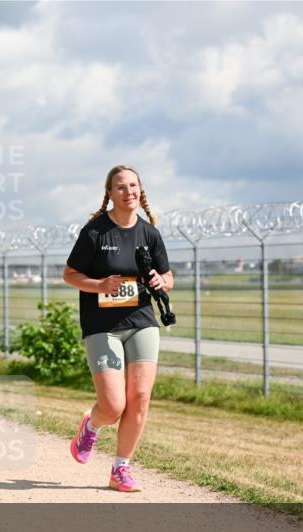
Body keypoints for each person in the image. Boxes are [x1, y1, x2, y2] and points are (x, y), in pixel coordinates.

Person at [62, 164, 174, 493]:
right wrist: (99, 285)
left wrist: (160, 280)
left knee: (139, 398)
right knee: (113, 406)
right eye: (121, 187)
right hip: (102, 326)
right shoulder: (96, 232)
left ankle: (120, 469)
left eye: (134, 186)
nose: (129, 192)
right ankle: (91, 425)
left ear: (141, 191)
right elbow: (70, 274)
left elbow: (169, 277)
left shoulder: (149, 233)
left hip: (141, 321)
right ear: (110, 193)